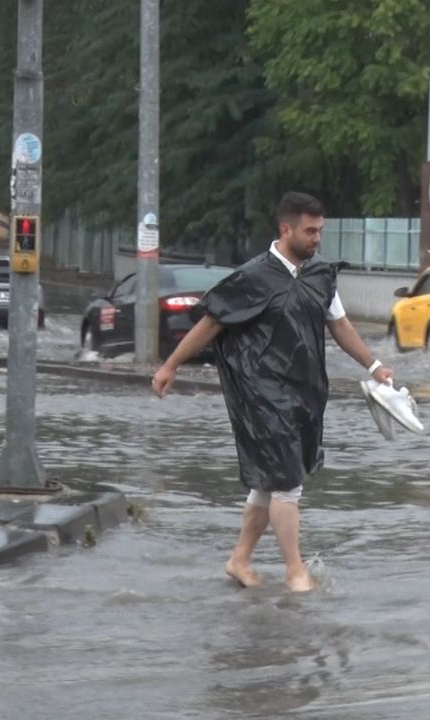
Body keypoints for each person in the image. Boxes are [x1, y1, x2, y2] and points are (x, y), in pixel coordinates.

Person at [151, 191, 393, 592]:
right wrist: (170, 365)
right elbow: (211, 324)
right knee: (287, 482)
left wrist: (374, 365)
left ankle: (239, 560)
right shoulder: (253, 277)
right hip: (260, 393)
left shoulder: (320, 276)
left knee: (267, 483)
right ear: (286, 229)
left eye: (320, 231)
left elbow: (341, 327)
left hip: (306, 394)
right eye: (310, 231)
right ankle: (296, 571)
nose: (317, 239)